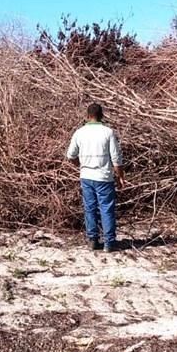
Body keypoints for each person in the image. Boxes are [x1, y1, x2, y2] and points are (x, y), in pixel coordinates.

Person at [66, 103, 125, 252]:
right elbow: (116, 159)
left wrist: (80, 164)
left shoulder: (79, 133)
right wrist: (120, 177)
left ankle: (93, 240)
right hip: (104, 177)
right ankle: (109, 243)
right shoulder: (108, 132)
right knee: (106, 209)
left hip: (86, 176)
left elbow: (70, 155)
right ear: (102, 115)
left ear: (87, 115)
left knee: (90, 208)